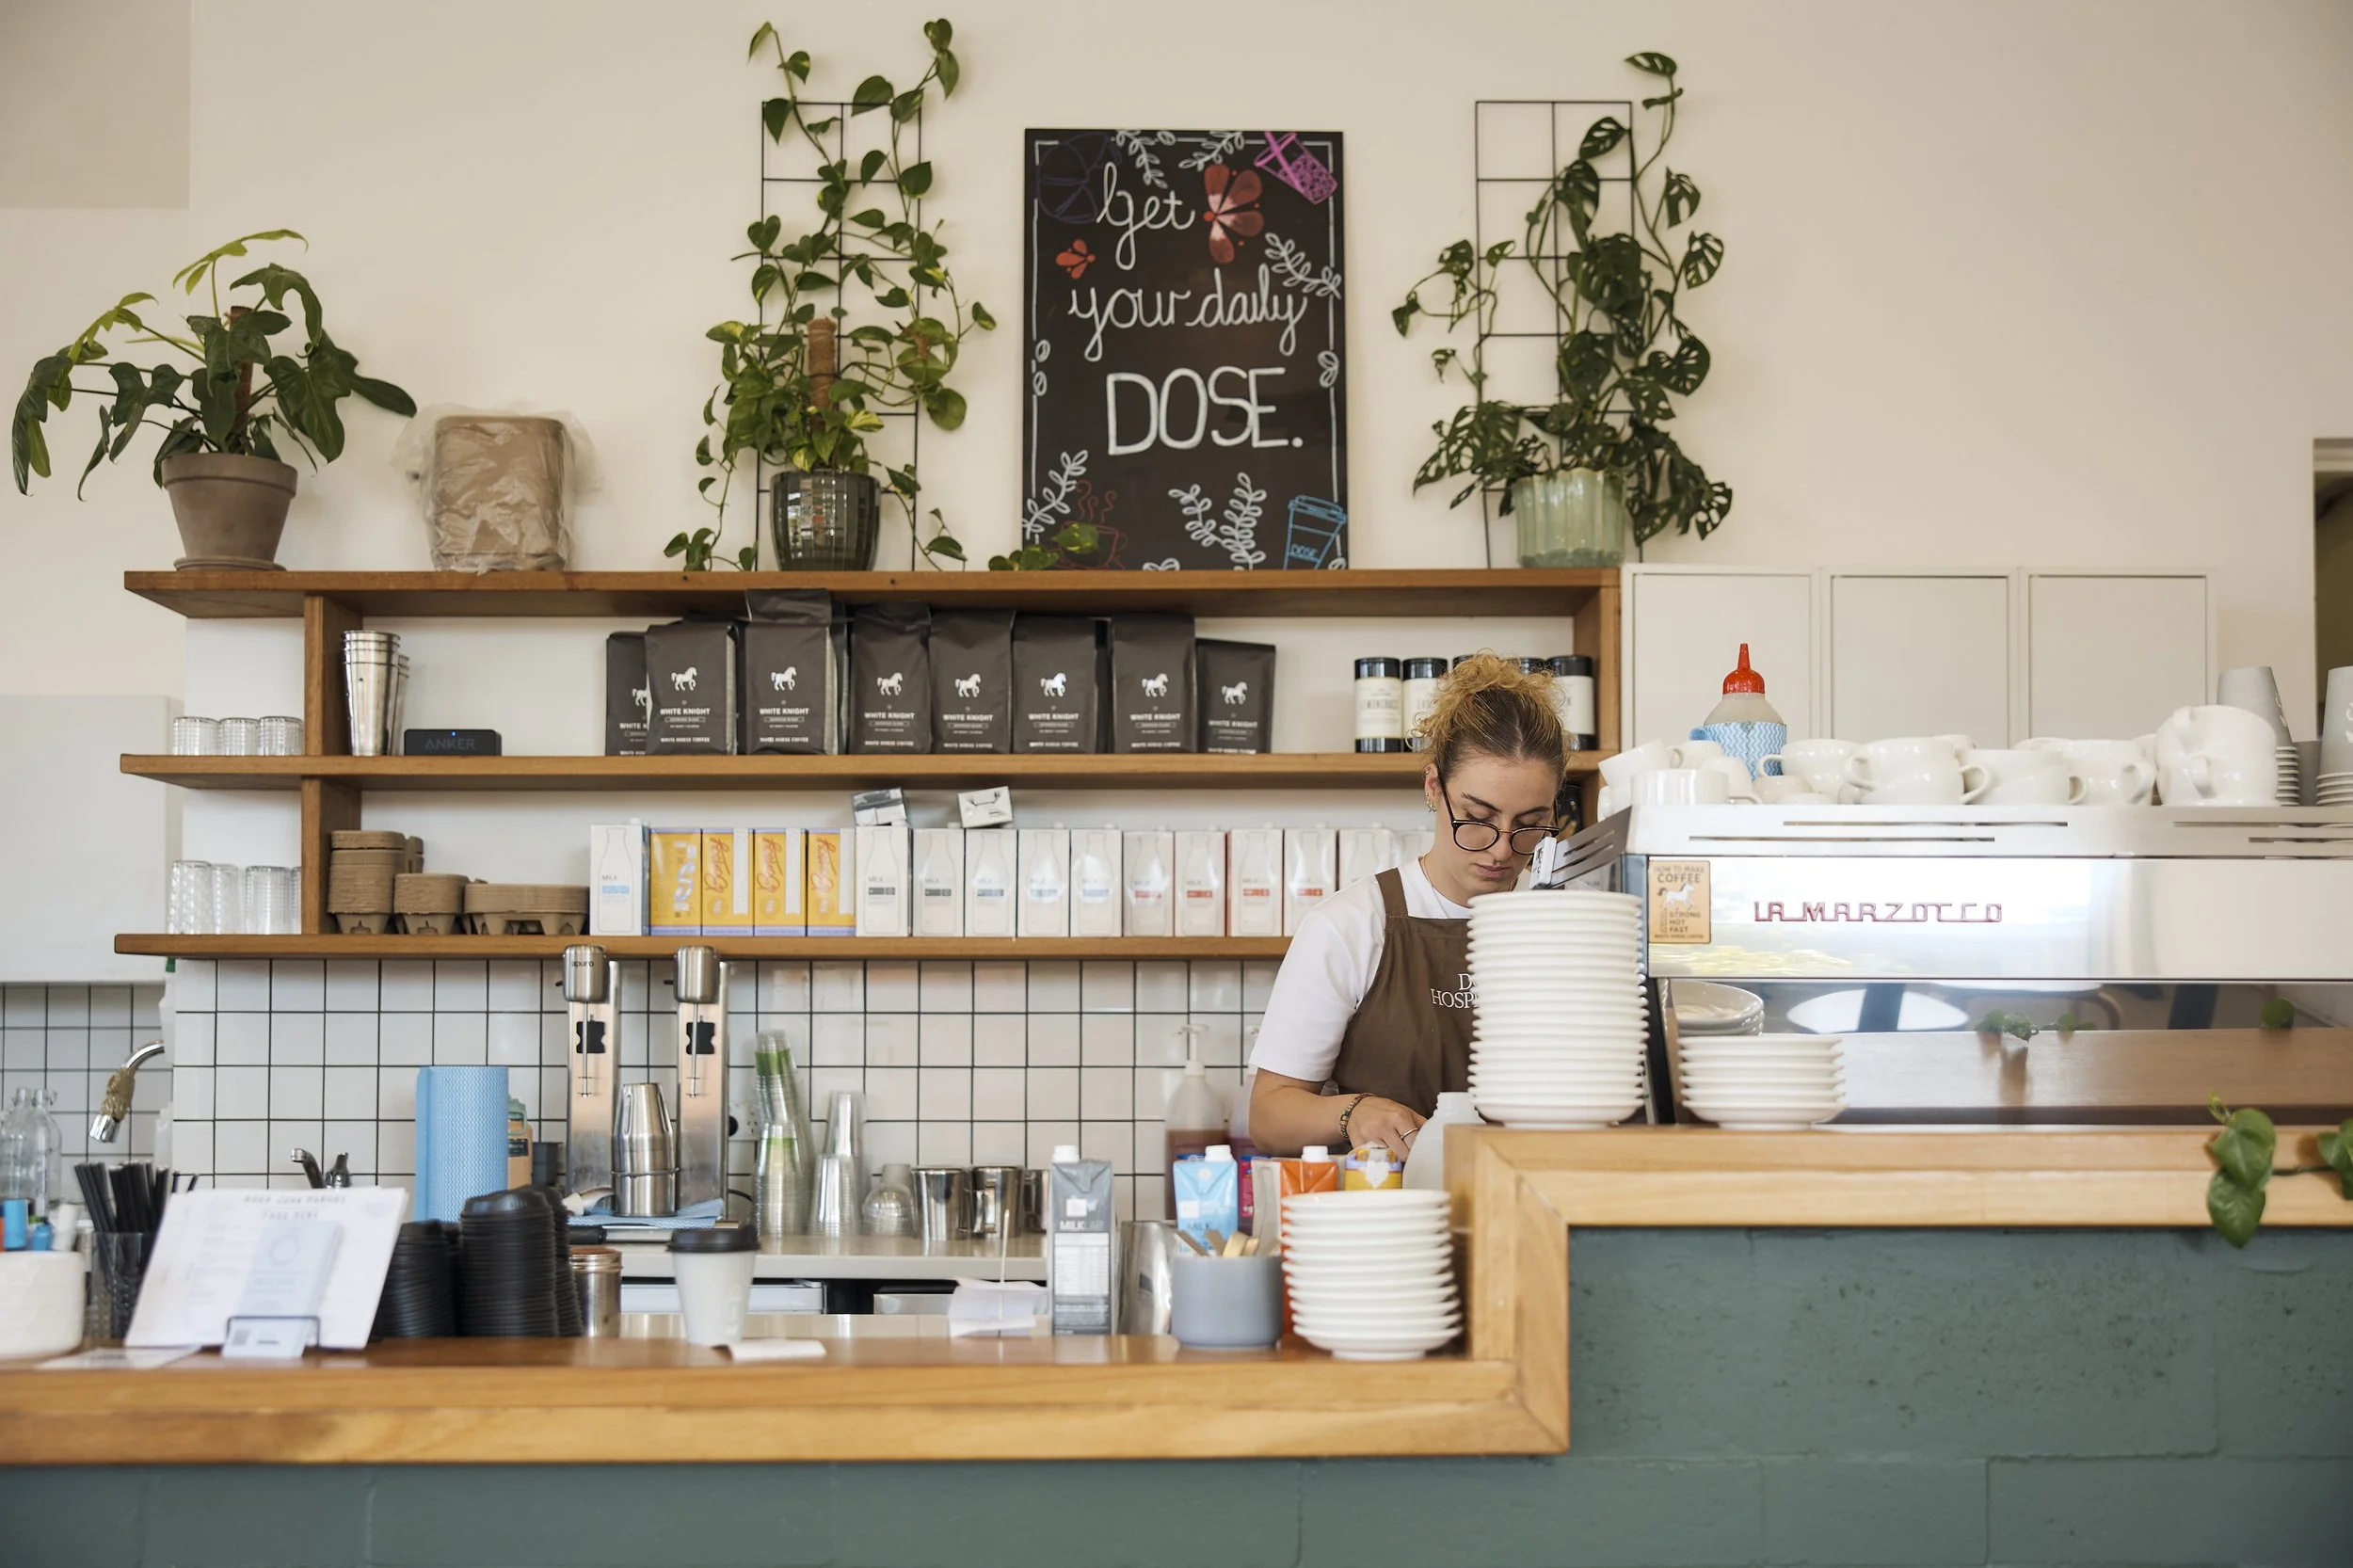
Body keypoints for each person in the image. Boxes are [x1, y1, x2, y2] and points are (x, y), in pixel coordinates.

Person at [1246, 653, 1570, 1156]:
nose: (1503, 848)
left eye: (1530, 823)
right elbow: (1269, 1116)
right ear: (1433, 788)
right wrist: (1354, 1110)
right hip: (1390, 1218)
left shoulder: (1577, 921)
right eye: (1477, 817)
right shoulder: (1352, 925)